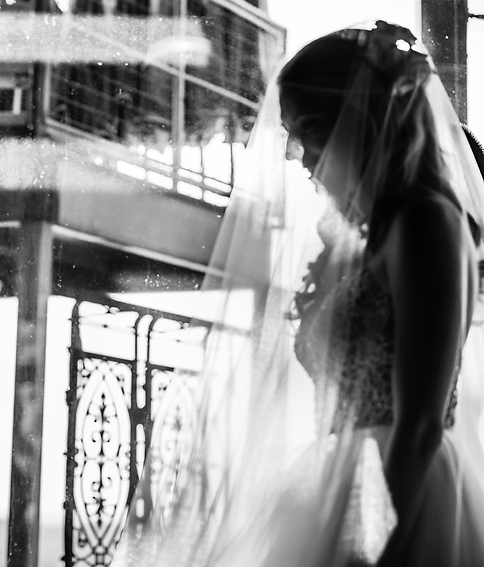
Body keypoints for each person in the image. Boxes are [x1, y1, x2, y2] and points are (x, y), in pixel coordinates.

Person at [113, 21, 484, 567]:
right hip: (341, 480)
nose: (294, 153)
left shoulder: (428, 221)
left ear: (360, 117)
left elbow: (421, 425)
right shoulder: (364, 234)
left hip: (401, 493)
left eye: (306, 128)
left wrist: (368, 548)